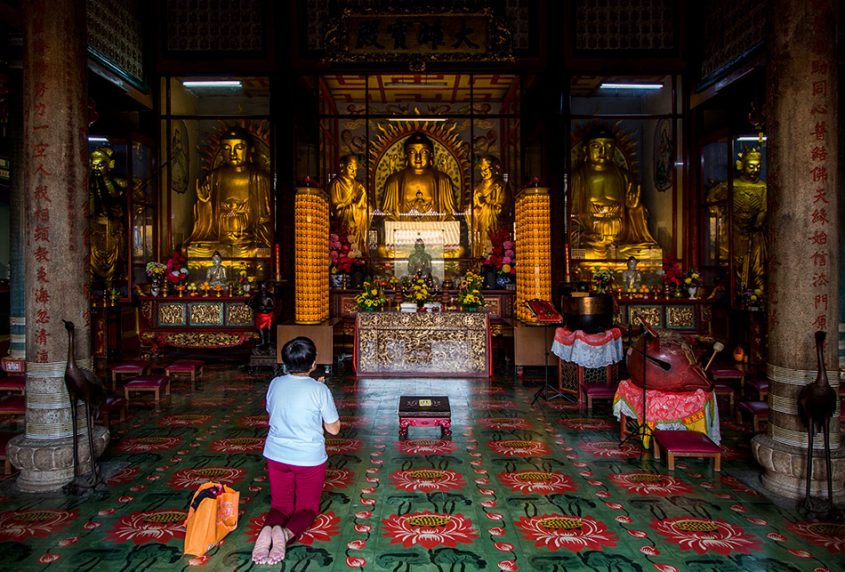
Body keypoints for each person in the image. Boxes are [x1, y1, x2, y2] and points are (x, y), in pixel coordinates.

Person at [251, 337, 340, 565]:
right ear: (313, 363)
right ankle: (286, 535)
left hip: (276, 455)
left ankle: (269, 529)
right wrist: (321, 392)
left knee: (280, 506)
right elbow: (334, 430)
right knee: (307, 509)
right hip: (308, 459)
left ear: (285, 362)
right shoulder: (319, 390)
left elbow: (274, 411)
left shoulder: (275, 384)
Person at [570, 125, 658, 258]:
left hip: (621, 241)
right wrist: (583, 235)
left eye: (609, 146)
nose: (603, 151)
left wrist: (634, 209)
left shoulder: (625, 177)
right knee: (582, 254)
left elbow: (636, 213)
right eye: (596, 146)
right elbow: (571, 215)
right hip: (592, 243)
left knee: (648, 254)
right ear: (585, 149)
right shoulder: (577, 177)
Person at [186, 127, 273, 256]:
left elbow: (268, 219)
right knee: (189, 250)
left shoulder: (260, 179)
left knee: (257, 251)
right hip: (220, 241)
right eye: (226, 148)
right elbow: (205, 226)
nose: (232, 153)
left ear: (250, 150)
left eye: (239, 147)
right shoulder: (214, 177)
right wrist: (204, 204)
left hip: (247, 242)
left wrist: (252, 232)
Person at [380, 131, 457, 220]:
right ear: (405, 156)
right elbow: (386, 216)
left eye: (424, 152)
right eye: (412, 152)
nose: (418, 157)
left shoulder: (443, 180)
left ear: (431, 155)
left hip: (435, 231)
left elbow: (451, 216)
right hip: (402, 232)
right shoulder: (394, 181)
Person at [89, 146, 128, 289]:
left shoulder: (117, 182)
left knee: (116, 255)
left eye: (100, 164)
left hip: (113, 226)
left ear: (109, 165)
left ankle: (111, 285)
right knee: (93, 255)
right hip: (96, 226)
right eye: (93, 165)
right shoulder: (89, 184)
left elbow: (116, 195)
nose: (96, 168)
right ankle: (93, 287)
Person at [328, 155, 369, 253]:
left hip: (357, 225)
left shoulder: (358, 186)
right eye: (350, 168)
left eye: (356, 169)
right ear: (342, 167)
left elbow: (364, 206)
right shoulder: (336, 184)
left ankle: (359, 247)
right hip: (344, 226)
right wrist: (353, 206)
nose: (354, 172)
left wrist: (362, 199)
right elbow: (336, 211)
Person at [472, 155, 509, 257]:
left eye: (487, 168)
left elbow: (501, 209)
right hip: (480, 229)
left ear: (495, 168)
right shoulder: (477, 187)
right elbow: (473, 208)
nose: (484, 171)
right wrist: (475, 208)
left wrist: (484, 205)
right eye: (481, 168)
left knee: (492, 251)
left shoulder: (500, 186)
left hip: (492, 228)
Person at [249, 281, 275, 353]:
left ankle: (269, 342)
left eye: (264, 287)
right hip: (260, 315)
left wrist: (266, 308)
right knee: (260, 329)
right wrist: (257, 308)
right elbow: (250, 303)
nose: (262, 289)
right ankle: (262, 341)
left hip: (268, 315)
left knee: (269, 329)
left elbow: (273, 306)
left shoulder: (270, 296)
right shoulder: (256, 296)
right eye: (261, 287)